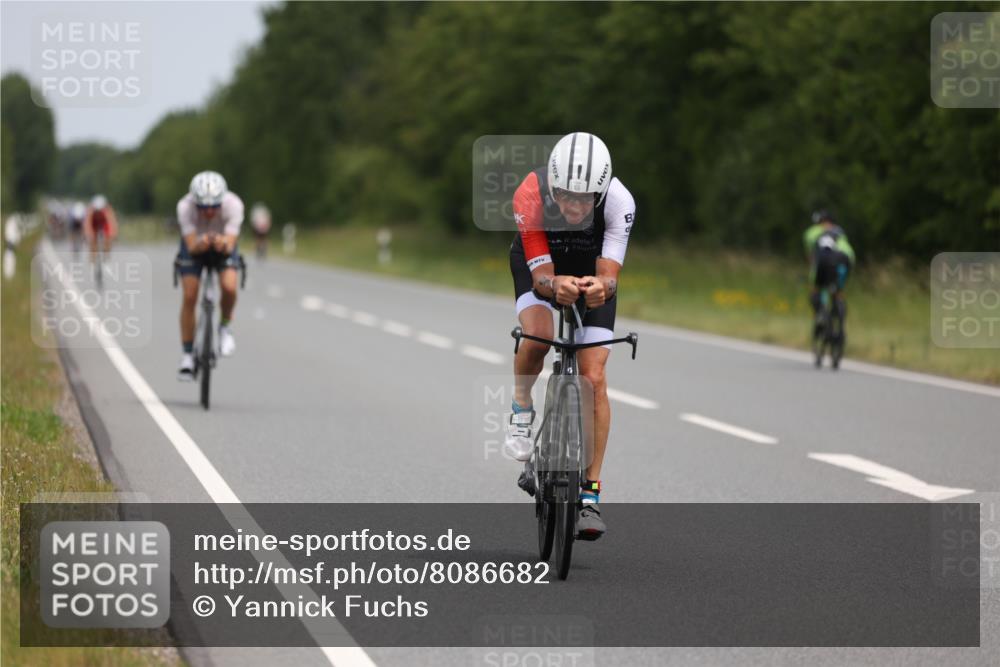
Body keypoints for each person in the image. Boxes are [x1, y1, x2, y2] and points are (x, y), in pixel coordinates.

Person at [505, 132, 636, 541]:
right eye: (565, 196)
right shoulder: (530, 192)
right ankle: (521, 408)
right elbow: (542, 277)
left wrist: (601, 288)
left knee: (593, 377)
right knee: (539, 338)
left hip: (590, 266)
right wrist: (553, 283)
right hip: (539, 263)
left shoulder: (619, 202)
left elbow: (610, 277)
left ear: (600, 193)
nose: (575, 206)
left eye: (585, 199)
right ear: (552, 185)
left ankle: (590, 493)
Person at [175, 171, 244, 380]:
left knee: (230, 286)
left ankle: (224, 327)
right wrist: (200, 244)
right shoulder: (184, 207)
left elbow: (230, 243)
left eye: (214, 206)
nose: (209, 212)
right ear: (195, 202)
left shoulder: (234, 204)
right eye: (203, 207)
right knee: (190, 295)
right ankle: (187, 355)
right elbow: (190, 245)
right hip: (194, 245)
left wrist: (222, 243)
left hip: (222, 244)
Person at [803, 210, 855, 337]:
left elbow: (812, 258)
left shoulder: (812, 232)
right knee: (837, 291)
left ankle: (821, 316)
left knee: (815, 290)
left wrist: (813, 277)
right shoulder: (840, 231)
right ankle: (840, 321)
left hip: (825, 260)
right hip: (847, 258)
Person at [84, 195, 118, 269]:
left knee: (108, 238)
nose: (99, 212)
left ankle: (106, 253)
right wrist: (89, 235)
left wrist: (112, 235)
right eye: (97, 210)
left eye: (101, 210)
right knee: (92, 240)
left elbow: (112, 223)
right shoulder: (90, 211)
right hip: (94, 223)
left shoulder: (108, 210)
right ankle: (92, 257)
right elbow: (87, 224)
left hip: (104, 223)